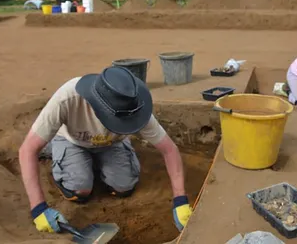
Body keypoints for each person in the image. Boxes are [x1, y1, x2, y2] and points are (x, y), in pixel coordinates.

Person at [19, 66, 192, 234]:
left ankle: (99, 162)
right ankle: (55, 148)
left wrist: (180, 200)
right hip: (73, 140)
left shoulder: (133, 107)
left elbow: (169, 149)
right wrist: (39, 209)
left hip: (111, 144)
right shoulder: (67, 98)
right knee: (79, 191)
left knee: (124, 187)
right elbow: (27, 150)